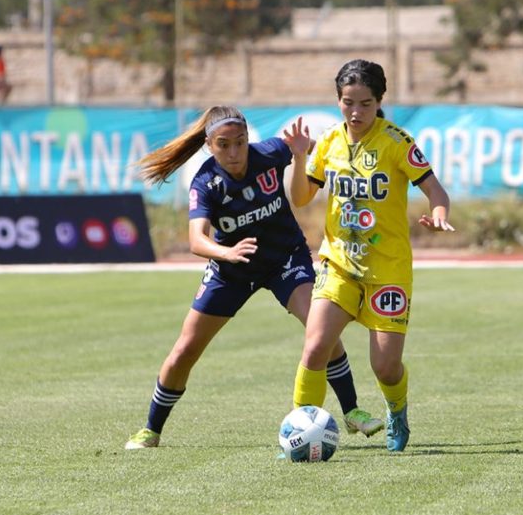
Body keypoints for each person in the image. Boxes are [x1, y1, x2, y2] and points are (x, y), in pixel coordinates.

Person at [125, 105, 384, 450]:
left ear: (249, 138)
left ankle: (352, 410)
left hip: (284, 259)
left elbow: (307, 178)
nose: (234, 152)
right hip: (231, 270)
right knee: (186, 349)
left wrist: (300, 152)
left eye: (240, 142)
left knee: (318, 328)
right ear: (209, 145)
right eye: (223, 145)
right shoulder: (205, 183)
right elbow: (196, 239)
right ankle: (151, 429)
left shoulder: (273, 152)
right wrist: (226, 253)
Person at [286, 59, 455, 453]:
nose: (356, 112)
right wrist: (298, 158)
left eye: (365, 103)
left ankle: (397, 410)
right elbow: (299, 198)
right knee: (315, 346)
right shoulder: (328, 142)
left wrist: (439, 215)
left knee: (385, 366)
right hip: (339, 264)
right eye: (348, 103)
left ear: (380, 101)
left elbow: (437, 193)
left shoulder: (397, 141)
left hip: (388, 269)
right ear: (338, 101)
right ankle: (297, 430)